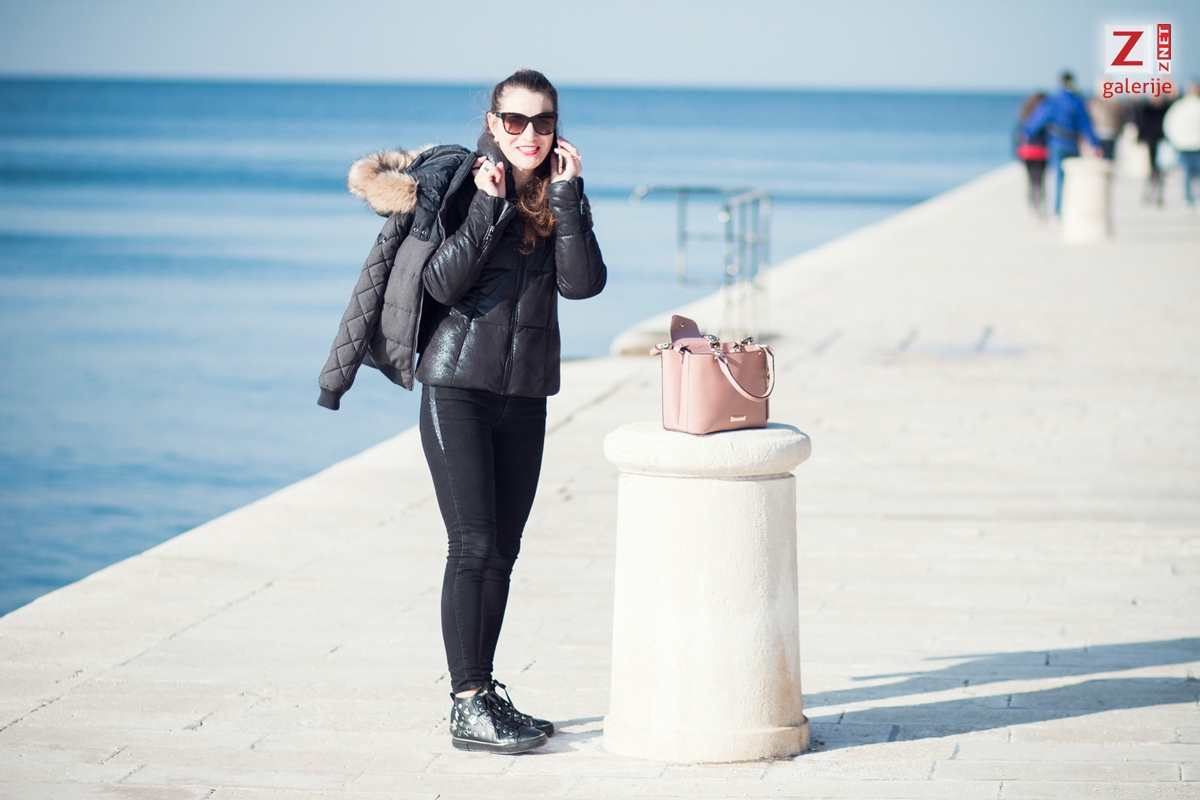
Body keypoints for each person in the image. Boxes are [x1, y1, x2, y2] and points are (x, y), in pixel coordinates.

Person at [316, 69, 607, 754]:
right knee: (472, 545)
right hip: (456, 388)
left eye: (543, 122)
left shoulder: (558, 191)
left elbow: (583, 283)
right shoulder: (466, 185)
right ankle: (467, 702)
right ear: (493, 121)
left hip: (526, 394)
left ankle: (485, 693)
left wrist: (568, 198)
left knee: (504, 550)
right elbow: (440, 284)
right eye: (516, 121)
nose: (530, 134)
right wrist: (487, 208)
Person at [1022, 72, 1100, 215]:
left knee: (1059, 176)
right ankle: (1070, 207)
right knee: (1072, 177)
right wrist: (1095, 144)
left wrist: (1026, 132)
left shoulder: (1054, 101)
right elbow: (1086, 124)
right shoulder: (1077, 101)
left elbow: (1039, 119)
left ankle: (1058, 211)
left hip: (1057, 143)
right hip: (1072, 143)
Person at [1164, 81, 1200, 209]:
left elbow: (1169, 124)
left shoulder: (1179, 106)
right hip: (1197, 146)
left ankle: (1188, 200)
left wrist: (1175, 141)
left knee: (1187, 174)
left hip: (1183, 145)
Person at [1135, 94, 1173, 206]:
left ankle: (1159, 195)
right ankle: (1148, 193)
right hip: (1150, 142)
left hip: (1162, 142)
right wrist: (1140, 139)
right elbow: (1141, 125)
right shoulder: (1146, 109)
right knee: (1150, 170)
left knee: (1161, 170)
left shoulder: (1166, 108)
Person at [1015, 92, 1049, 215]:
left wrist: (1018, 151)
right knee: (1039, 180)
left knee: (1030, 180)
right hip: (1040, 152)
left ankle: (1031, 206)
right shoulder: (1044, 114)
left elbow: (1017, 135)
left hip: (1027, 152)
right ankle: (1038, 207)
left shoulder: (1025, 114)